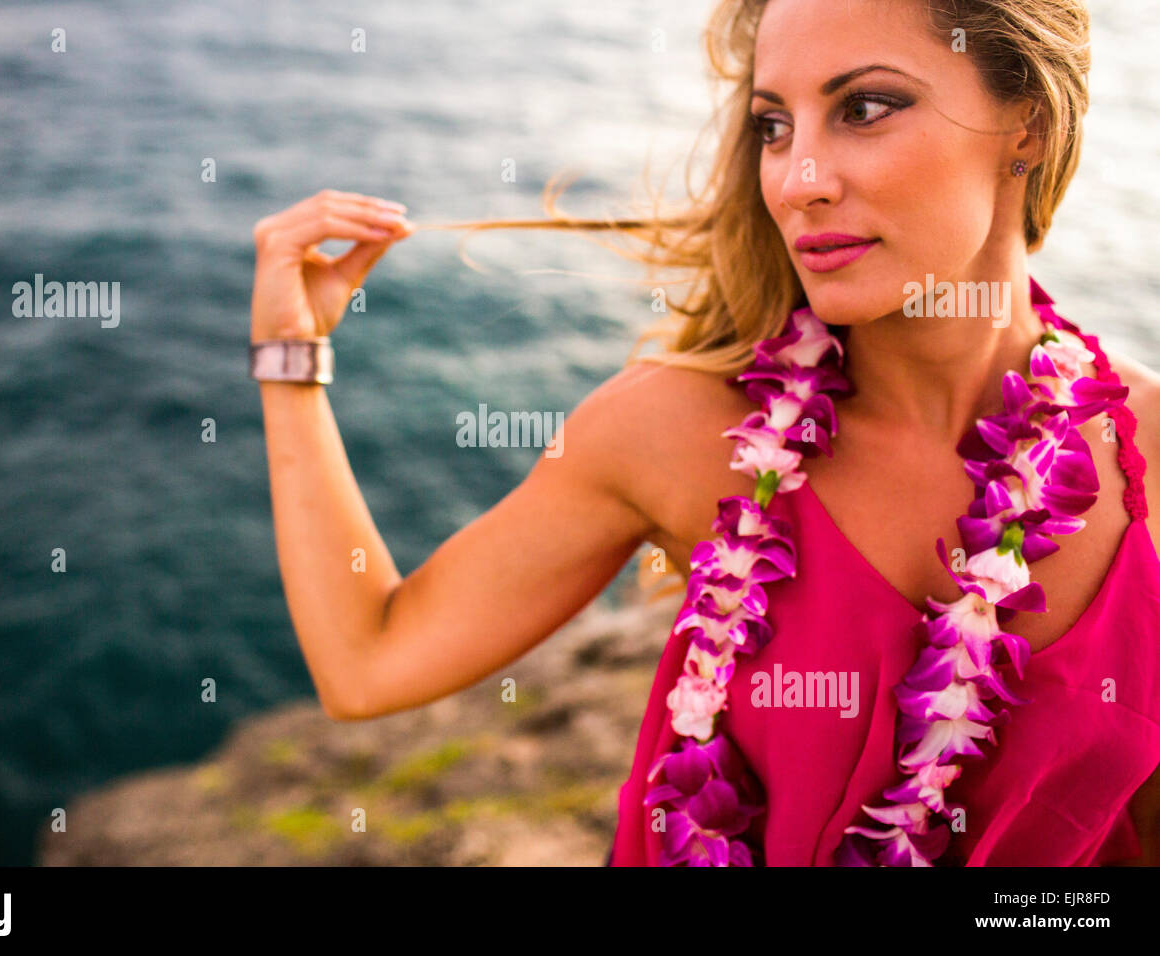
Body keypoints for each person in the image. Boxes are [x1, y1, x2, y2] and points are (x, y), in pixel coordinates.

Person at [247, 0, 1160, 866]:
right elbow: (367, 662)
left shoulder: (1148, 455)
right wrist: (290, 359)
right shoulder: (681, 434)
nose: (798, 181)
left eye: (866, 107)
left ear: (1028, 125)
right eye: (774, 126)